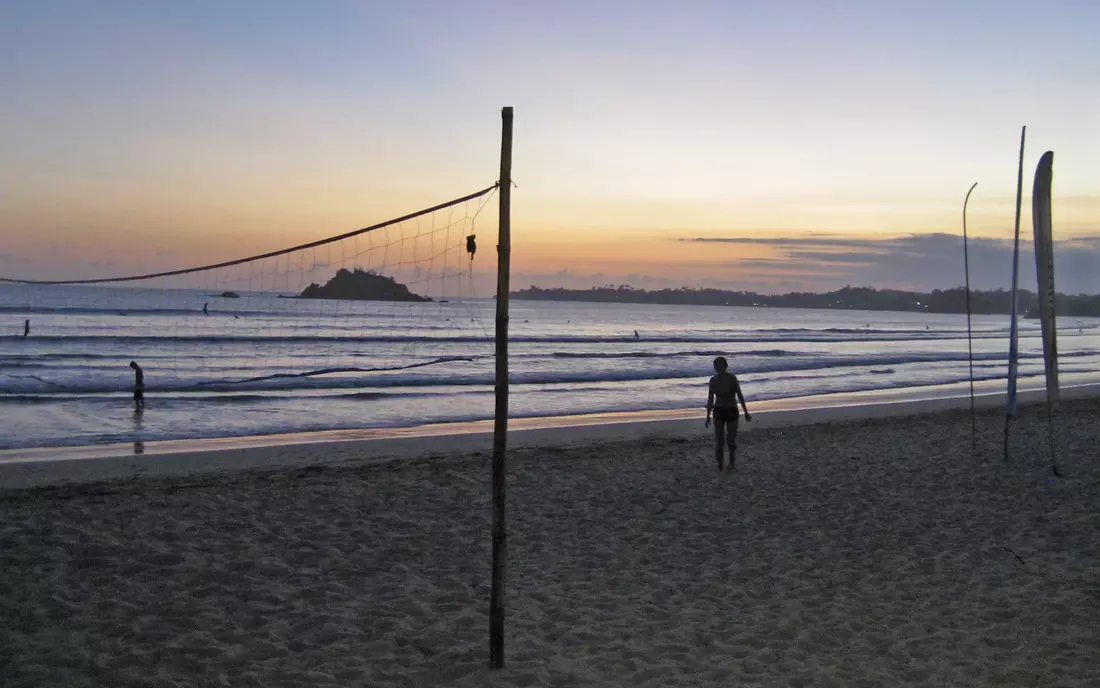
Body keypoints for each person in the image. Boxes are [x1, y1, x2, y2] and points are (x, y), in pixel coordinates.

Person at [705, 356, 750, 472]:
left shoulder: (732, 378)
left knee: (731, 440)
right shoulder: (713, 380)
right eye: (716, 366)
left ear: (725, 366)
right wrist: (707, 416)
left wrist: (746, 412)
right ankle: (720, 464)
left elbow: (739, 395)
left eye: (720, 366)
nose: (718, 368)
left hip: (731, 409)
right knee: (719, 440)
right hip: (718, 410)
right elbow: (710, 399)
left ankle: (732, 462)